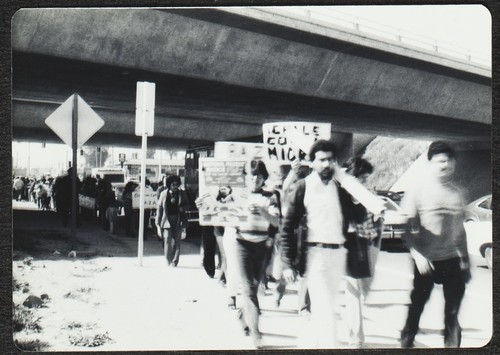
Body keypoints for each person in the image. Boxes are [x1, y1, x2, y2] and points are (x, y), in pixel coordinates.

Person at [280, 139, 383, 348]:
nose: (326, 164)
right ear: (312, 162)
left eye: (330, 160)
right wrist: (287, 263)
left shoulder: (340, 188)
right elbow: (287, 226)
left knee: (323, 311)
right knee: (326, 313)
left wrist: (366, 202)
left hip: (338, 255)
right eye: (321, 160)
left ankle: (306, 344)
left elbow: (354, 215)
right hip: (315, 255)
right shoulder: (303, 187)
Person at [399, 141, 470, 348]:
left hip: (452, 261)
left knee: (453, 312)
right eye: (439, 161)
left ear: (454, 164)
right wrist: (417, 254)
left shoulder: (459, 192)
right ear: (430, 163)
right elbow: (406, 229)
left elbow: (460, 229)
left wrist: (465, 259)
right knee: (416, 308)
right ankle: (406, 344)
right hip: (425, 262)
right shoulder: (417, 191)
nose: (444, 165)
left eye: (448, 161)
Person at [234, 160, 281, 349]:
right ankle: (256, 334)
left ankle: (243, 316)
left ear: (264, 179)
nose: (255, 179)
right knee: (248, 288)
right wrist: (204, 205)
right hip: (241, 244)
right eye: (252, 176)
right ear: (246, 177)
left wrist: (262, 211)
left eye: (259, 176)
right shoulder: (238, 195)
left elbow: (276, 222)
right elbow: (218, 211)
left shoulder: (271, 196)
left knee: (253, 288)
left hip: (261, 246)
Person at [342, 157, 383, 348]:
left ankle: (352, 326)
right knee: (354, 291)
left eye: (367, 179)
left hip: (364, 243)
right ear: (352, 177)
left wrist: (378, 214)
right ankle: (356, 338)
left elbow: (373, 226)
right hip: (347, 244)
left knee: (361, 291)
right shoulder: (340, 194)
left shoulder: (366, 196)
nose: (366, 183)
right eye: (363, 178)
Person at [156, 175, 190, 267]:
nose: (175, 186)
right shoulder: (163, 194)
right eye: (173, 184)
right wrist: (158, 224)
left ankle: (175, 261)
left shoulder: (182, 193)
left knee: (177, 241)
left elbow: (188, 205)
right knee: (167, 239)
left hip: (178, 220)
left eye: (177, 184)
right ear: (169, 185)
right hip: (166, 220)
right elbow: (159, 209)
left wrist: (182, 209)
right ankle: (168, 260)